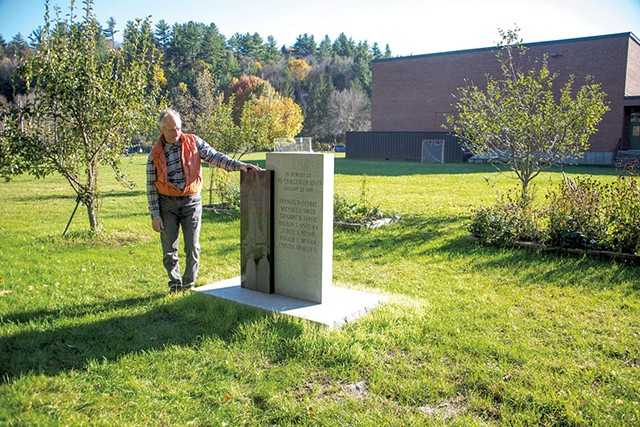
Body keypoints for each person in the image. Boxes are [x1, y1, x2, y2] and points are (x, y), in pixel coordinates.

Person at [146, 109, 261, 293]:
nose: (176, 133)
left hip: (191, 202)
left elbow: (215, 157)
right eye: (171, 130)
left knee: (192, 246)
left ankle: (189, 283)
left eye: (178, 128)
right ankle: (174, 283)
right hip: (166, 204)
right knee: (169, 248)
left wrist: (239, 166)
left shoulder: (193, 142)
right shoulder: (154, 154)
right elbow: (151, 187)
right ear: (162, 130)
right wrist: (155, 215)